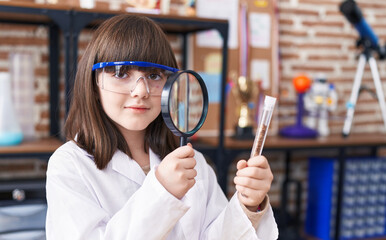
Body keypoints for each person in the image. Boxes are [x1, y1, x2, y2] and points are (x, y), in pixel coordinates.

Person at [45, 14, 278, 240]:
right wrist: (162, 191)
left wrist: (248, 205)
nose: (141, 91)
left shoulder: (193, 163)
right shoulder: (69, 166)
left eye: (154, 75)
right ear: (94, 82)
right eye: (121, 73)